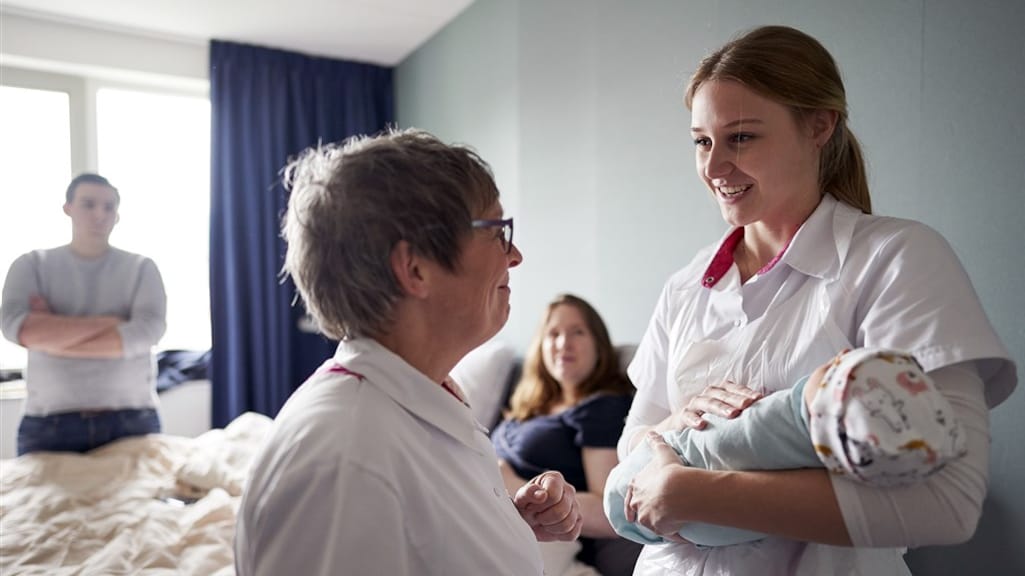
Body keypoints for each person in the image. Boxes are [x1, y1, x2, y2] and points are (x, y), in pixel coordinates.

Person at [617, 25, 1017, 576]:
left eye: (741, 138)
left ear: (819, 126)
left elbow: (948, 504)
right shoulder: (687, 287)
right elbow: (630, 447)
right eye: (701, 141)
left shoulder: (897, 259)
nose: (712, 169)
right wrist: (670, 431)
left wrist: (693, 493)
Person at [234, 129, 583, 576]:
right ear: (415, 268)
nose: (514, 255)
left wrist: (500, 522)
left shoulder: (420, 402)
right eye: (497, 231)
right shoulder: (347, 461)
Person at [605, 347, 967, 546]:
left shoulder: (892, 253)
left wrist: (680, 488)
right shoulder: (683, 286)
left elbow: (946, 506)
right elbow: (632, 439)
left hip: (825, 549)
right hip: (682, 498)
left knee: (739, 439)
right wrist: (675, 423)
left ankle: (826, 403)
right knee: (745, 439)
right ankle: (830, 405)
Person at [0, 173, 167, 455]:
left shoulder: (142, 268)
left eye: (109, 207)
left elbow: (146, 333)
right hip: (47, 425)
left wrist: (53, 334)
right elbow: (17, 328)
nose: (99, 214)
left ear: (117, 215)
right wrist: (113, 323)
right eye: (89, 204)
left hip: (132, 421)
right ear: (68, 208)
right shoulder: (31, 264)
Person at [492, 293, 642, 575]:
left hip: (541, 539)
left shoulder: (600, 408)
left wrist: (510, 484)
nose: (564, 344)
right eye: (553, 334)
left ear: (598, 343)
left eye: (577, 332)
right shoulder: (526, 406)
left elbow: (611, 513)